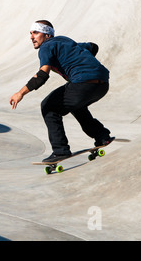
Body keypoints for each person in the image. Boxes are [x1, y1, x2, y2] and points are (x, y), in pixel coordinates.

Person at [9, 20, 114, 163]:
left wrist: (20, 93)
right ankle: (102, 136)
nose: (31, 37)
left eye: (36, 33)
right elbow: (93, 47)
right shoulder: (66, 42)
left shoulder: (46, 47)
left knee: (48, 107)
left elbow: (42, 75)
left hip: (83, 83)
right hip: (102, 83)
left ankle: (60, 151)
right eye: (30, 33)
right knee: (75, 105)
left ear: (47, 35)